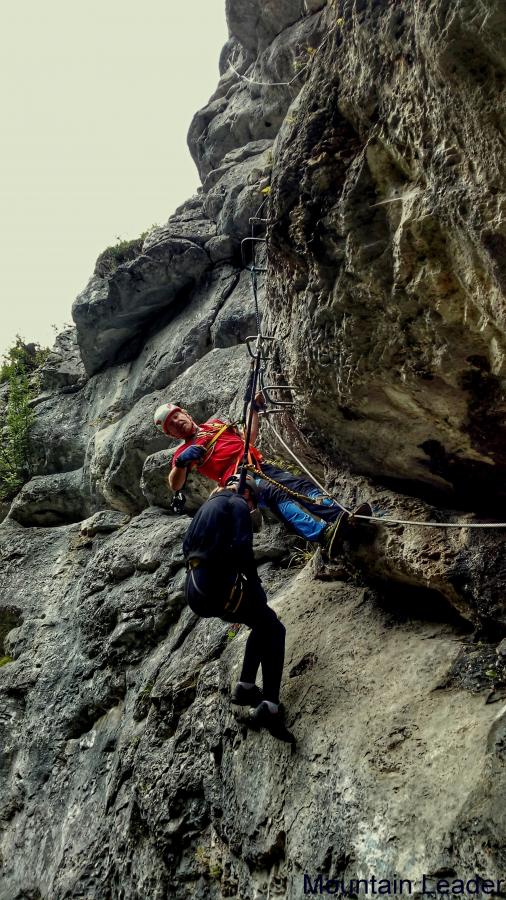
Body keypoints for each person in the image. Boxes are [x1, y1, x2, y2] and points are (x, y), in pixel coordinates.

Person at [154, 400, 372, 558]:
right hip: (239, 478)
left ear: (185, 413)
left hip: (259, 464)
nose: (177, 422)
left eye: (176, 416)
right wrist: (181, 463)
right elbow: (175, 484)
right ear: (172, 435)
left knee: (302, 486)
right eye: (171, 425)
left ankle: (341, 516)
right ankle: (322, 534)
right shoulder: (183, 452)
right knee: (274, 493)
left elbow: (248, 437)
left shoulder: (216, 425)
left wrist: (254, 410)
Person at [183, 473, 293, 741]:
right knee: (274, 628)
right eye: (254, 504)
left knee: (262, 622)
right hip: (213, 585)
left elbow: (187, 548)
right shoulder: (237, 503)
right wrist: (255, 587)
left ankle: (246, 687)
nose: (253, 509)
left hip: (195, 587)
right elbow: (243, 549)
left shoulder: (207, 508)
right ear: (249, 495)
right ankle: (270, 705)